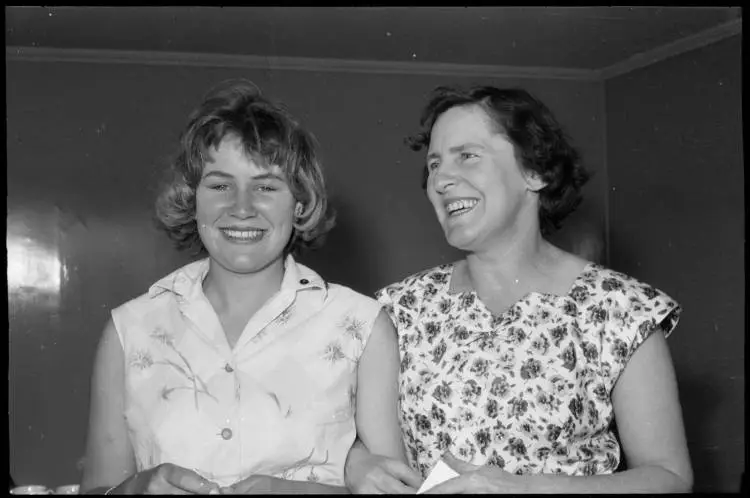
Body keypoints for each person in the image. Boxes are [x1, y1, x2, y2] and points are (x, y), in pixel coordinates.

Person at [345, 86, 692, 493]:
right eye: (434, 164)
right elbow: (335, 431)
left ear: (536, 172)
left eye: (467, 156)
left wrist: (527, 488)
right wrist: (356, 464)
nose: (440, 179)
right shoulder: (397, 308)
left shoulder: (622, 309)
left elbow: (668, 477)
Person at [79, 80, 405, 494]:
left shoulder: (362, 326)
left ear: (299, 203)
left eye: (266, 187)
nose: (242, 207)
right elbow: (97, 489)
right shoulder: (128, 331)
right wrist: (136, 488)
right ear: (191, 198)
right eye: (219, 185)